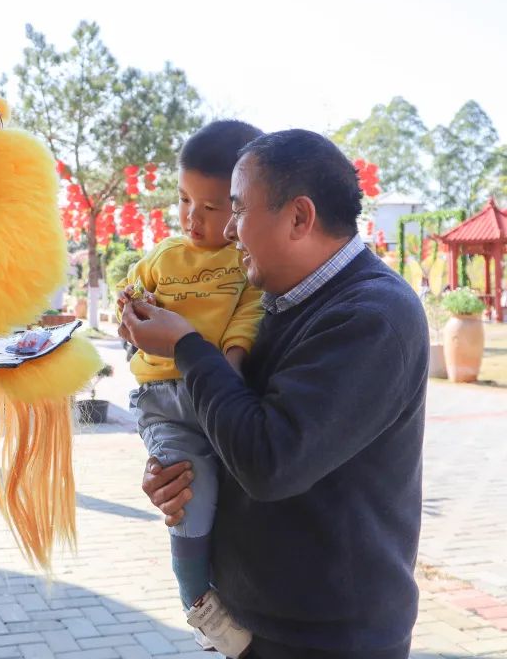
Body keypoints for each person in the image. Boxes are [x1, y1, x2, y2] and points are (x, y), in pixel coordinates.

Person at [121, 129, 428, 659]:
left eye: (237, 210)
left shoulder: (372, 318)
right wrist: (179, 468)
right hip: (255, 622)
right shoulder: (276, 301)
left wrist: (189, 349)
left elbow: (269, 460)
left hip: (328, 638)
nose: (230, 232)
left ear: (299, 217)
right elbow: (236, 424)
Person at [116, 120, 264, 656]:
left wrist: (228, 363)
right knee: (188, 496)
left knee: (211, 486)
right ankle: (198, 603)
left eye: (212, 206)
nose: (192, 218)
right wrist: (128, 316)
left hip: (213, 390)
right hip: (162, 402)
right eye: (184, 200)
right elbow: (133, 294)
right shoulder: (163, 257)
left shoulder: (246, 265)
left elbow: (248, 318)